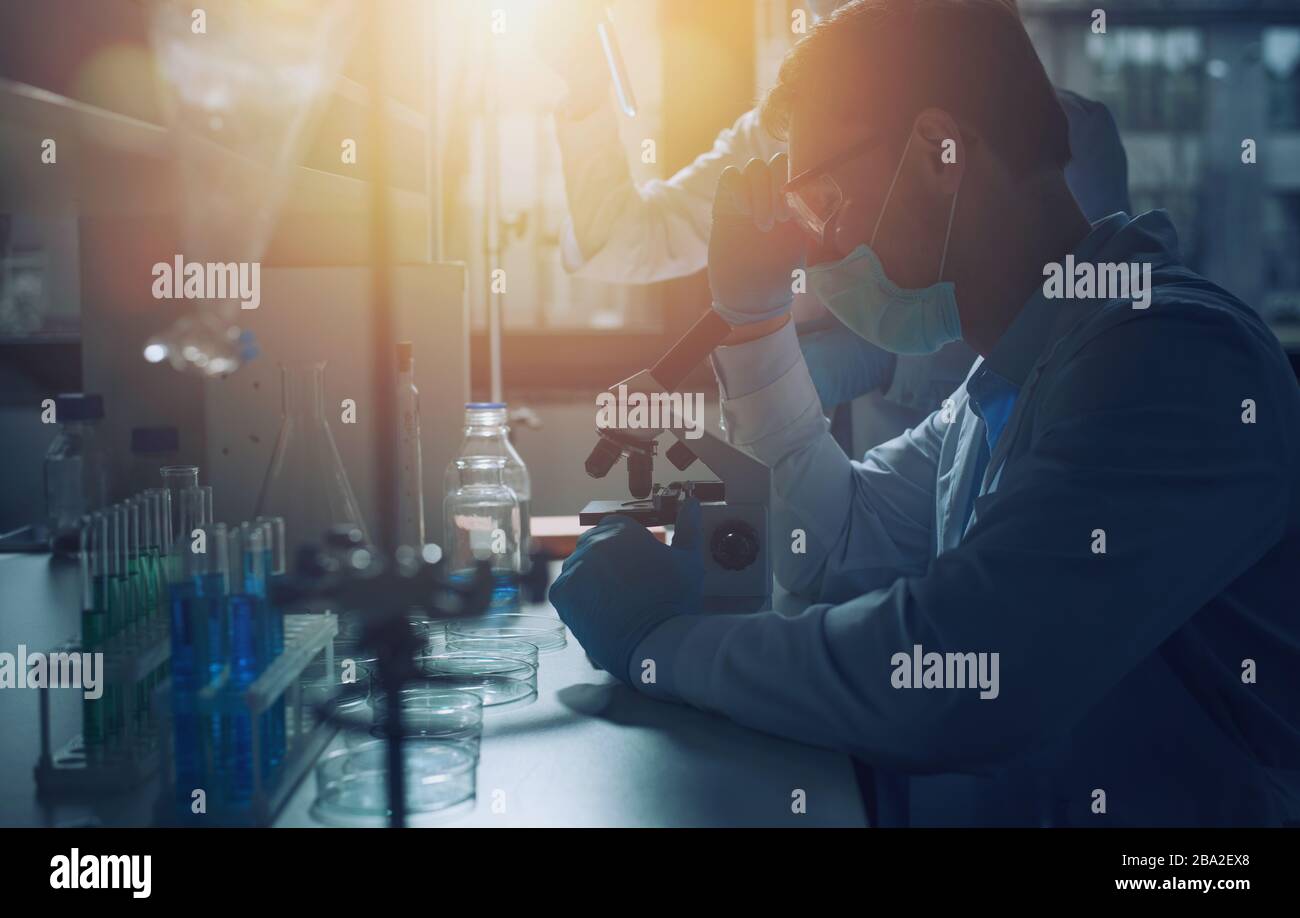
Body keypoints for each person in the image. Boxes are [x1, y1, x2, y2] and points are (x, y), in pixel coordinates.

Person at [550, 0, 1300, 826]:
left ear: (941, 154)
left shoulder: (1174, 358)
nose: (816, 248)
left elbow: (961, 673)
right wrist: (757, 322)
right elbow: (836, 543)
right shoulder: (1005, 381)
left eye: (824, 199)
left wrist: (661, 646)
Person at [550, 0, 1130, 416]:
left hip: (968, 429)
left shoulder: (1059, 134)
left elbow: (1055, 320)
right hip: (860, 472)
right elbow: (630, 238)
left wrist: (874, 362)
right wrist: (584, 94)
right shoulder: (784, 134)